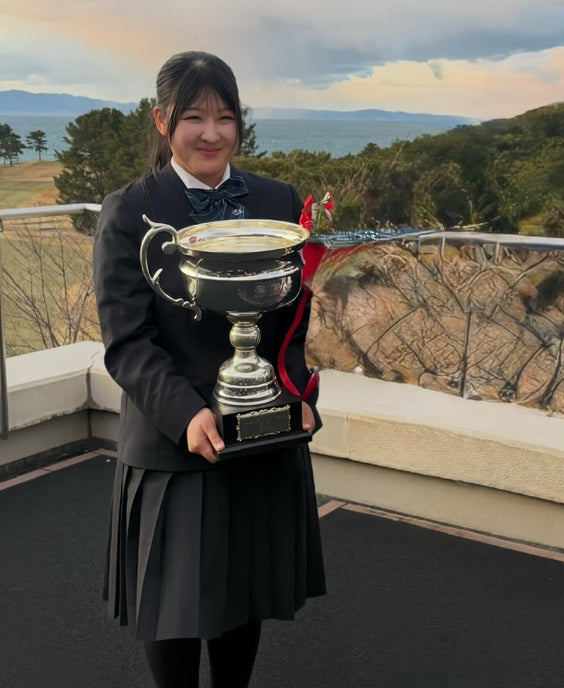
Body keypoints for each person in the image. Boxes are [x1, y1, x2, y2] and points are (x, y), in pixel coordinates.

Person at [93, 51, 327, 688]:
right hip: (176, 442)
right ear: (162, 121)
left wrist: (294, 391)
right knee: (171, 611)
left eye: (225, 117)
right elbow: (126, 340)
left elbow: (291, 321)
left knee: (240, 599)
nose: (211, 133)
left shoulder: (277, 201)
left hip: (259, 433)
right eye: (193, 116)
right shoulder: (130, 210)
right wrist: (188, 412)